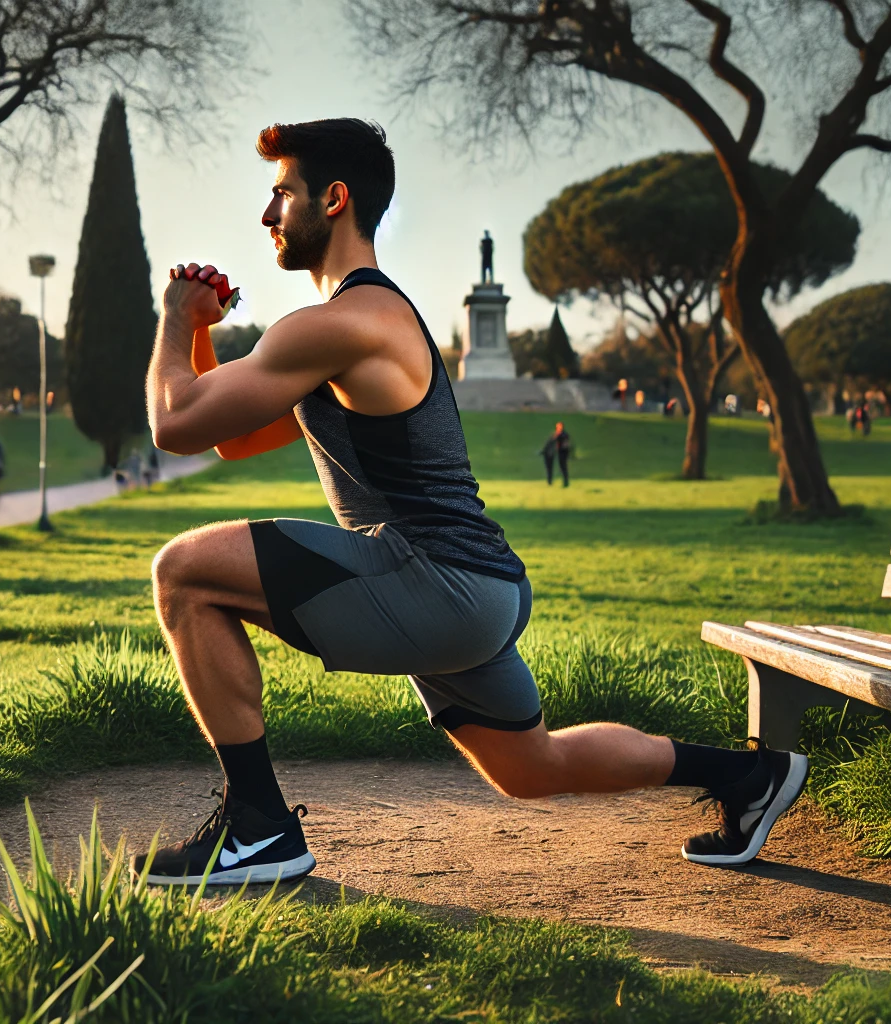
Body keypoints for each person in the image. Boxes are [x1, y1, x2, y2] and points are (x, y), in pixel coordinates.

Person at [140, 118, 806, 886]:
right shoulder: (371, 322)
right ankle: (747, 778)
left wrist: (175, 316)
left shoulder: (337, 325)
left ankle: (258, 828)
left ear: (334, 198)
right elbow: (229, 437)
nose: (267, 214)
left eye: (281, 193)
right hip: (480, 589)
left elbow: (173, 425)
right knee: (531, 766)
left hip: (432, 580)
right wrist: (199, 340)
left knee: (183, 572)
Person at [540, 422, 571, 487]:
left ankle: (566, 482)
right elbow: (550, 442)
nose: (558, 428)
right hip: (559, 452)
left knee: (563, 467)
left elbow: (566, 444)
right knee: (562, 467)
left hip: (563, 453)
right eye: (557, 427)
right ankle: (563, 482)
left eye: (559, 427)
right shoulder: (557, 434)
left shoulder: (563, 434)